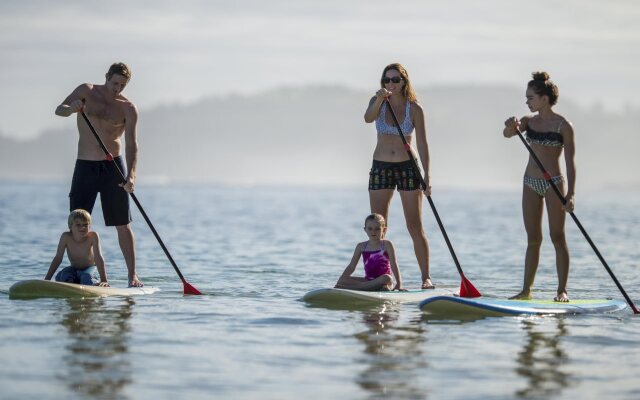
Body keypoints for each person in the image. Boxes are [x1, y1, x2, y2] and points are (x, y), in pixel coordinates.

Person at [55, 62, 143, 287]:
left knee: (122, 223)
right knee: (77, 222)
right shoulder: (86, 91)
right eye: (115, 83)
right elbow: (59, 110)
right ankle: (80, 271)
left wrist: (131, 175)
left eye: (122, 85)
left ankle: (132, 276)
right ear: (106, 77)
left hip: (113, 168)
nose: (117, 89)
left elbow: (132, 145)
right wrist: (72, 108)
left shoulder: (128, 108)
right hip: (85, 165)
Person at [503, 71, 576, 302]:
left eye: (530, 97)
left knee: (557, 237)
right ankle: (526, 291)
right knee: (533, 239)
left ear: (544, 98)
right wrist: (509, 126)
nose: (527, 102)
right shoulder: (528, 121)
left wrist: (571, 194)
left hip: (554, 184)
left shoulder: (563, 125)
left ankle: (561, 291)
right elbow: (507, 134)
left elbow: (570, 163)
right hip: (530, 183)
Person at [363, 62, 433, 289]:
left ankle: (426, 278)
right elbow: (367, 118)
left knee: (414, 225)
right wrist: (379, 98)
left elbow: (422, 144)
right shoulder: (378, 103)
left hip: (407, 167)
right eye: (386, 80)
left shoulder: (415, 109)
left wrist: (428, 176)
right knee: (378, 226)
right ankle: (380, 278)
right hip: (381, 166)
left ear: (404, 82)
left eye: (395, 80)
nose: (390, 84)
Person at [335, 214, 404, 291]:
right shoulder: (361, 246)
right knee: (342, 280)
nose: (373, 231)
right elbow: (351, 266)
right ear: (365, 229)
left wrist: (399, 283)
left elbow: (394, 264)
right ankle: (371, 287)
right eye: (370, 229)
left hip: (384, 282)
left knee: (387, 278)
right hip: (368, 281)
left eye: (377, 229)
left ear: (384, 230)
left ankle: (352, 289)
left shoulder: (387, 244)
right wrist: (342, 280)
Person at [45, 209, 109, 286]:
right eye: (78, 225)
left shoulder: (93, 236)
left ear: (90, 226)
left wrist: (104, 280)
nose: (82, 227)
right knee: (64, 275)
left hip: (90, 268)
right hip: (74, 269)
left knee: (86, 277)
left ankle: (91, 283)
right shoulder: (66, 237)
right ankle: (72, 283)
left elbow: (98, 257)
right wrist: (47, 279)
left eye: (85, 225)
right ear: (70, 226)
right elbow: (58, 258)